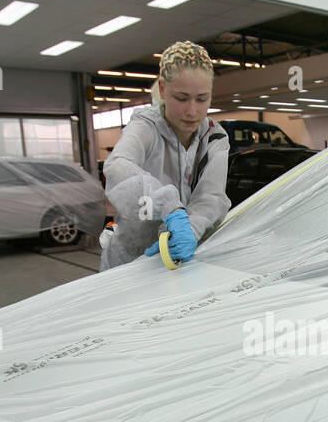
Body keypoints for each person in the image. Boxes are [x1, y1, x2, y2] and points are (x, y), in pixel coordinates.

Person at [99, 40, 231, 270]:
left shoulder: (214, 138)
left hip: (180, 257)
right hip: (131, 262)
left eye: (202, 99)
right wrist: (169, 206)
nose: (192, 111)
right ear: (162, 89)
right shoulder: (146, 127)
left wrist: (189, 229)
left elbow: (212, 196)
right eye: (181, 98)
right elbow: (118, 166)